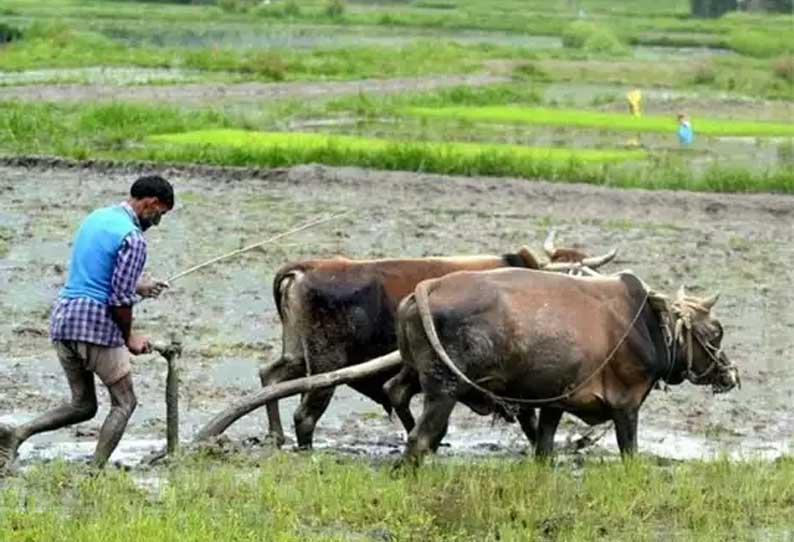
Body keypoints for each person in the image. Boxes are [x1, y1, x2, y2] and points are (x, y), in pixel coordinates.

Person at [0, 175, 174, 472]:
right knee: (125, 402)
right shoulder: (133, 238)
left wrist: (140, 286)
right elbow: (118, 300)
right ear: (151, 203)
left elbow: (97, 273)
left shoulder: (97, 218)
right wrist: (129, 336)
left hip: (64, 319)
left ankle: (17, 433)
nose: (157, 222)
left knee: (83, 405)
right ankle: (94, 472)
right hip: (92, 323)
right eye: (161, 214)